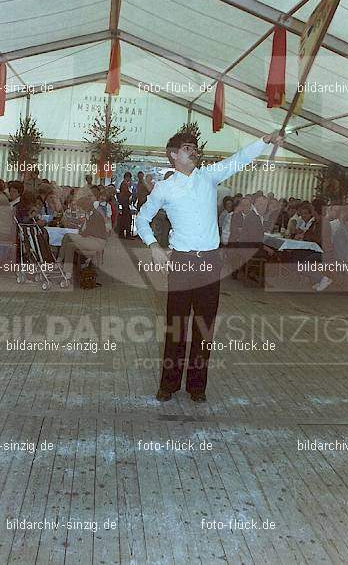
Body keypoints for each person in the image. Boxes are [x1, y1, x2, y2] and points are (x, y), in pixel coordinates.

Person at [136, 129, 282, 403]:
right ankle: (168, 385)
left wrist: (265, 140)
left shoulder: (209, 176)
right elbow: (142, 219)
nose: (193, 151)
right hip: (181, 262)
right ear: (173, 155)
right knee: (176, 326)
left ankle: (196, 387)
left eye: (194, 147)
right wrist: (153, 246)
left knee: (204, 326)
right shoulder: (164, 188)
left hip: (210, 262)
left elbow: (239, 159)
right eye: (187, 148)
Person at [118, 171, 133, 238]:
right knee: (126, 218)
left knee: (126, 218)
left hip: (125, 202)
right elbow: (126, 193)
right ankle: (125, 233)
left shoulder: (125, 184)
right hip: (125, 202)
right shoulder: (124, 184)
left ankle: (125, 233)